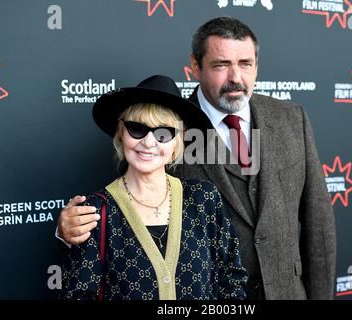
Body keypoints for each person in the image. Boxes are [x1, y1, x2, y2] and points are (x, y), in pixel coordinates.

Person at [58, 17, 336, 300]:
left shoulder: (291, 119)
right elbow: (126, 205)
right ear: (195, 66)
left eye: (245, 64)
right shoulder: (165, 123)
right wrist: (67, 229)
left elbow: (318, 221)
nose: (235, 78)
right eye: (221, 64)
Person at [61, 74, 247, 300]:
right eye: (137, 128)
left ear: (177, 142)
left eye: (163, 133)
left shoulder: (203, 198)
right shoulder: (96, 211)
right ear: (121, 133)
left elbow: (231, 280)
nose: (149, 142)